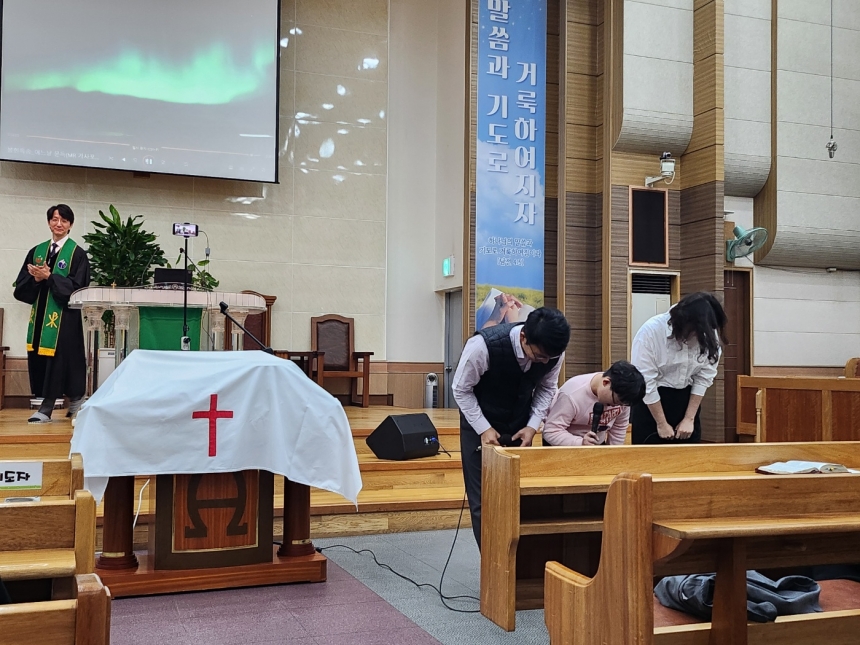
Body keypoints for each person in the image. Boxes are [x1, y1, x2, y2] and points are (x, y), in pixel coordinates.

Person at [452, 307, 570, 548]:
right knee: (483, 501)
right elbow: (461, 390)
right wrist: (484, 428)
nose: (544, 362)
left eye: (549, 358)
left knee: (518, 497)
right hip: (480, 423)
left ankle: (519, 563)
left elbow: (547, 387)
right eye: (539, 356)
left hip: (520, 424)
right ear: (524, 337)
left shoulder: (552, 352)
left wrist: (533, 426)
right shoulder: (482, 346)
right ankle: (493, 565)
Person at [14, 204, 91, 424]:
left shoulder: (77, 254)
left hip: (65, 318)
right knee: (46, 360)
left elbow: (78, 290)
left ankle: (49, 408)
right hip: (41, 318)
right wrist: (37, 279)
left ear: (70, 225)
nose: (59, 224)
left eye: (64, 220)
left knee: (63, 359)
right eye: (55, 219)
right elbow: (20, 288)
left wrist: (51, 277)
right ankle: (70, 400)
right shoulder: (36, 252)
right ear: (49, 223)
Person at [630, 292, 727, 444]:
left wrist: (689, 419)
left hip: (686, 400)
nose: (698, 337)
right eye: (695, 333)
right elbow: (646, 381)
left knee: (688, 456)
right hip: (650, 403)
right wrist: (661, 423)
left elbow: (704, 377)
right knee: (649, 456)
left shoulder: (708, 331)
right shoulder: (651, 331)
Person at [542, 361, 645, 446]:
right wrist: (580, 443)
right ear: (606, 382)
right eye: (614, 402)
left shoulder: (623, 397)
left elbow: (619, 429)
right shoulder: (572, 394)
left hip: (596, 444)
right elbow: (551, 431)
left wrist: (612, 455)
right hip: (564, 446)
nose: (616, 406)